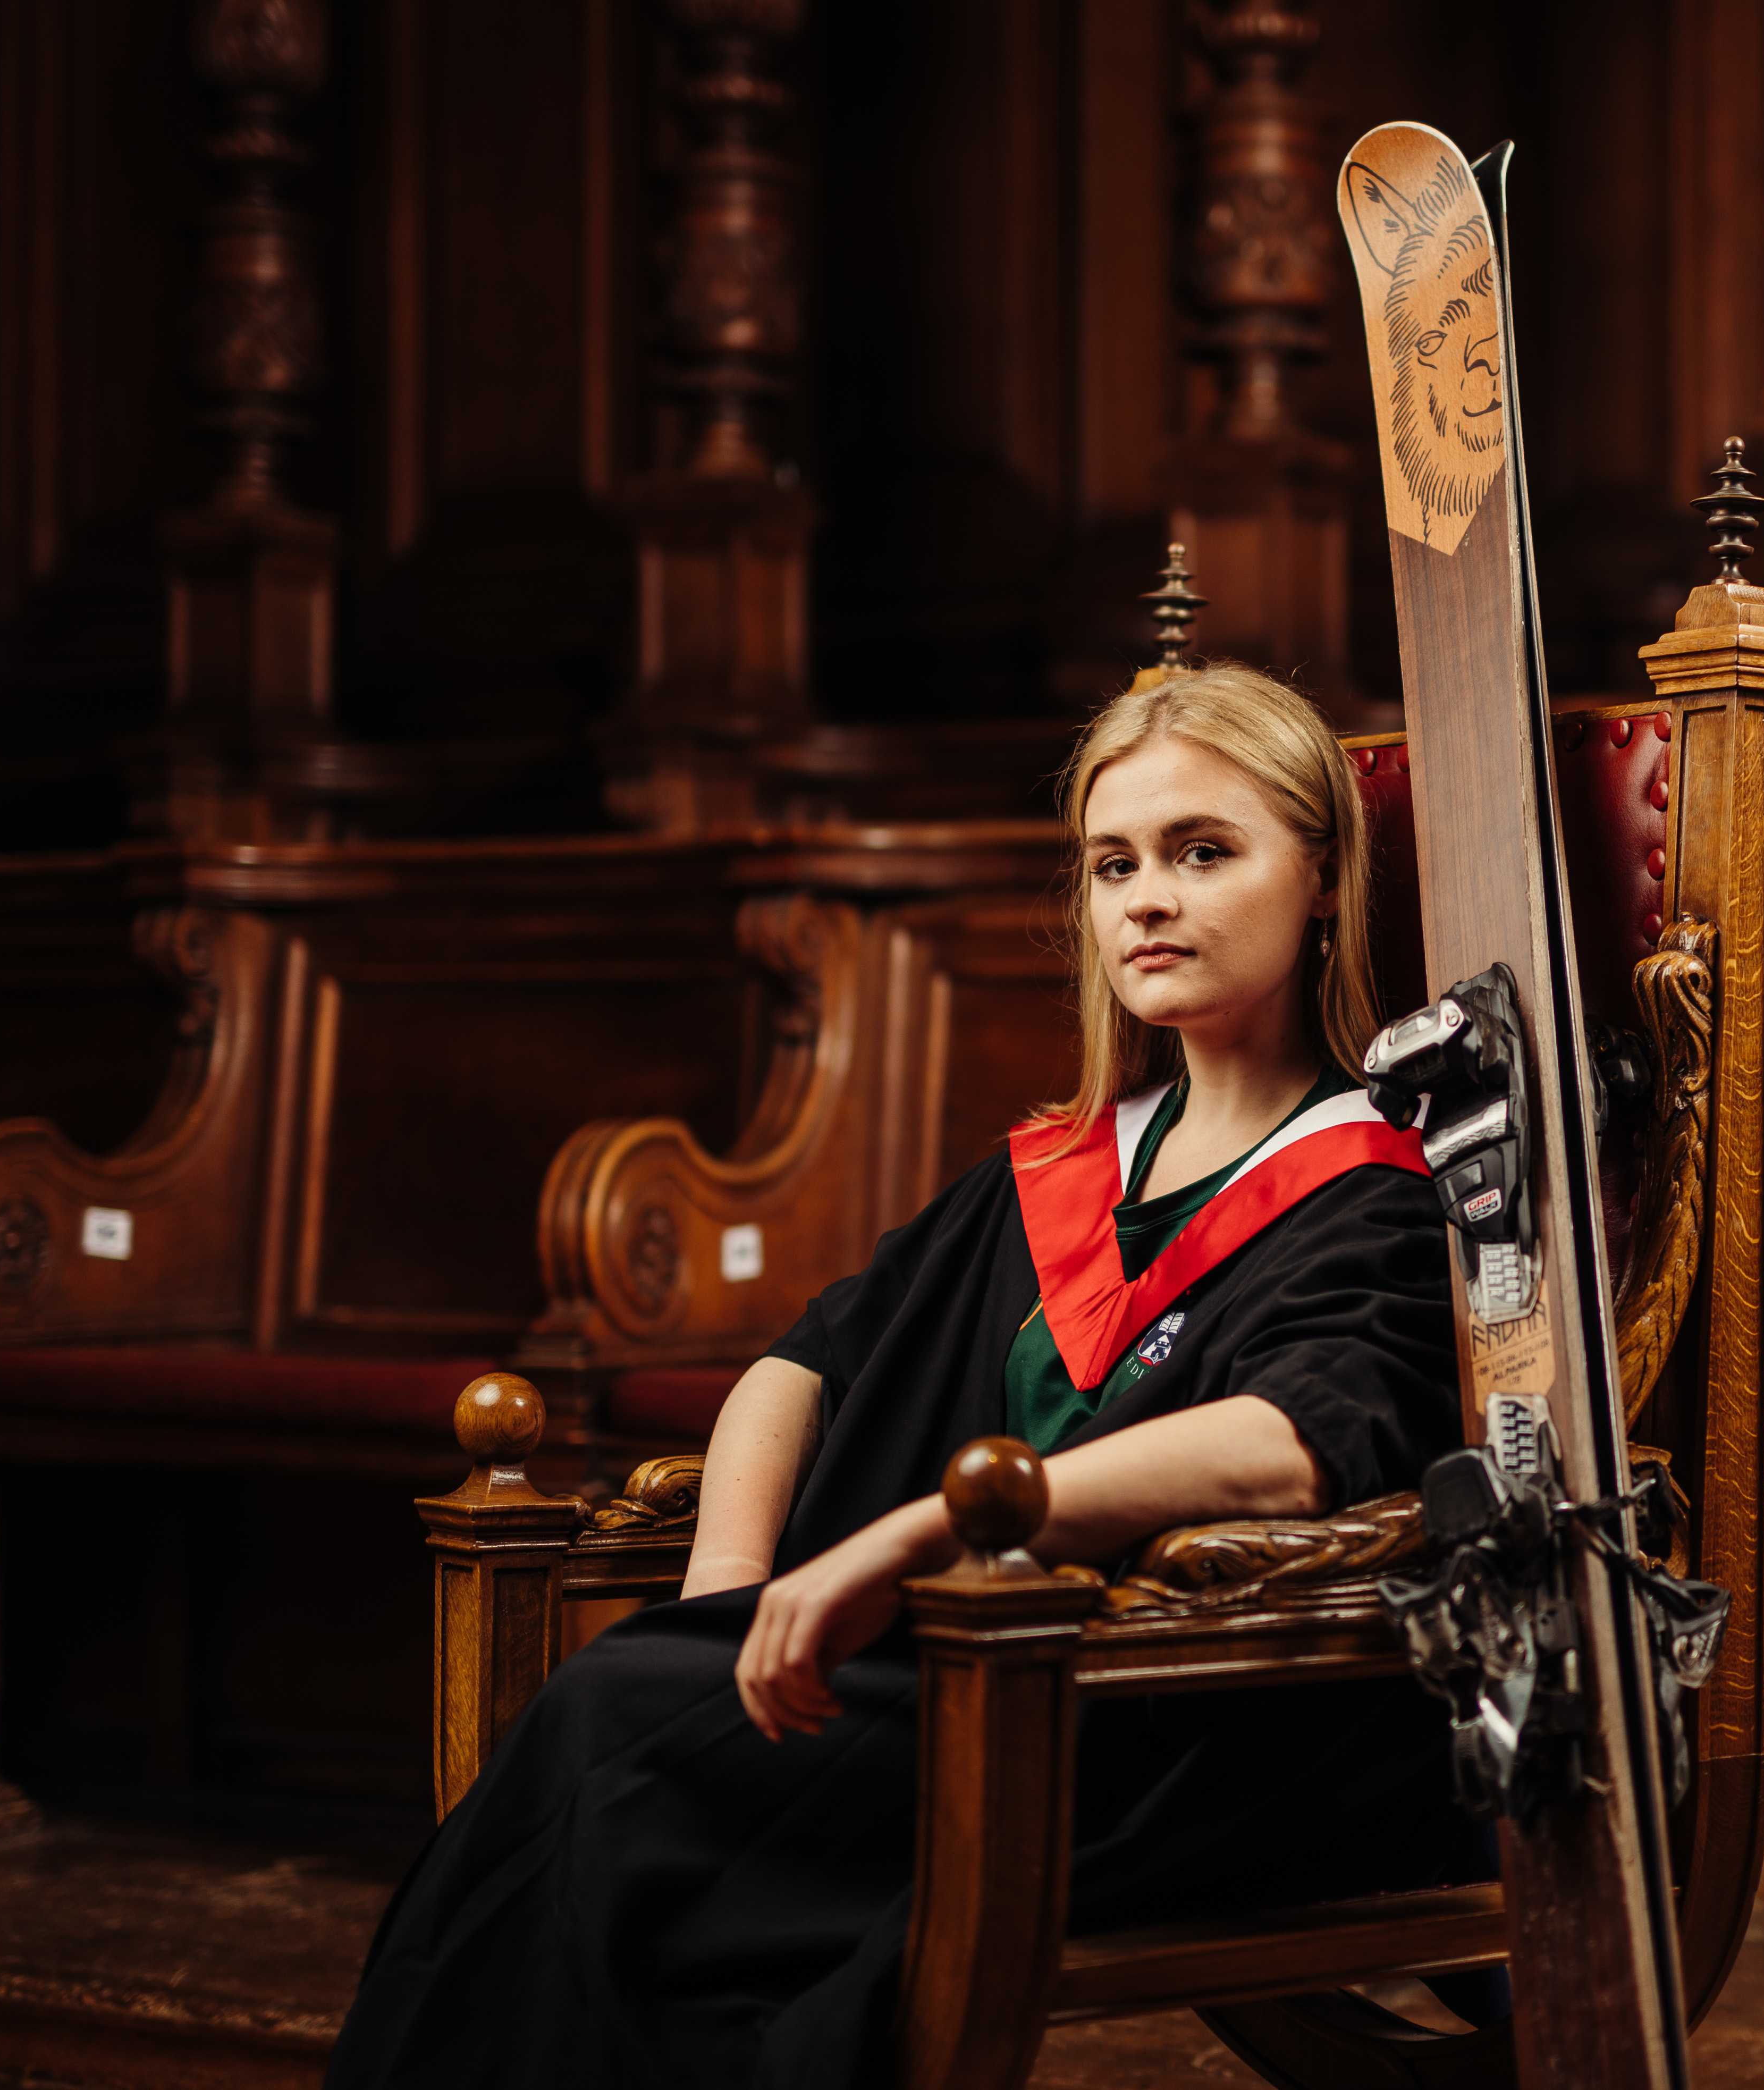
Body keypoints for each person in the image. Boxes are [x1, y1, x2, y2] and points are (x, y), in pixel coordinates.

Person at [328, 664, 1471, 2089]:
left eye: (1202, 851)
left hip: (1156, 1718)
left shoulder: (1371, 1186)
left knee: (611, 1742)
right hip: (956, 1683)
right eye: (1112, 863)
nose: (1146, 900)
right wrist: (732, 1599)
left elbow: (1291, 1445)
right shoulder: (1054, 1169)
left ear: (1320, 878)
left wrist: (911, 1534)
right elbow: (796, 1368)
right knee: (633, 1723)